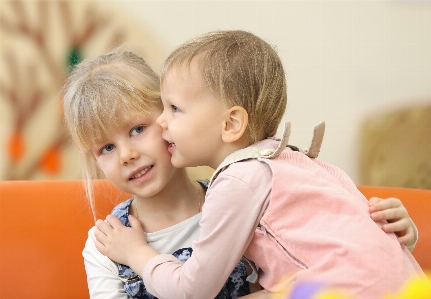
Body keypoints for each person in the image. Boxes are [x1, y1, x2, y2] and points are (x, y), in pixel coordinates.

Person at [94, 30, 424, 299]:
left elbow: (191, 292)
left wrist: (136, 252)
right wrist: (404, 234)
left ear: (230, 124)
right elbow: (360, 242)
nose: (162, 122)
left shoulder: (238, 182)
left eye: (174, 109)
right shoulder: (295, 161)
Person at [61, 49, 251, 299]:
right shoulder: (105, 244)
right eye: (107, 147)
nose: (126, 155)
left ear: (169, 115)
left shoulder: (240, 202)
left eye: (137, 129)